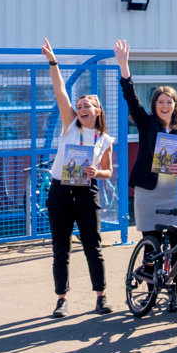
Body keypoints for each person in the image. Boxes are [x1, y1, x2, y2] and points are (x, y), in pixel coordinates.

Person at [41, 39, 115, 317]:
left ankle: (101, 296)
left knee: (93, 247)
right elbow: (60, 91)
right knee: (60, 249)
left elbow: (108, 171)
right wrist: (53, 62)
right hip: (60, 191)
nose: (82, 108)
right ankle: (61, 299)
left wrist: (97, 172)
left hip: (86, 192)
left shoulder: (104, 138)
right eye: (80, 105)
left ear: (97, 112)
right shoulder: (69, 125)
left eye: (88, 106)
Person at [115, 39, 177, 304]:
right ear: (155, 104)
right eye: (160, 101)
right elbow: (130, 98)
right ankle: (150, 294)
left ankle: (176, 295)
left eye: (169, 101)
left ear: (175, 104)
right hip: (150, 191)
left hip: (176, 192)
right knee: (154, 244)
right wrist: (124, 66)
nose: (165, 105)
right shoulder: (146, 124)